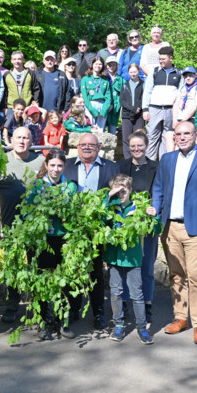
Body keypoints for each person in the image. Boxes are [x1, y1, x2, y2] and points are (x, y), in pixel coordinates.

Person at [146, 122, 197, 345]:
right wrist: (157, 214)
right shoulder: (168, 159)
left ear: (196, 135)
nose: (182, 137)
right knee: (176, 274)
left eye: (186, 133)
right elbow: (159, 189)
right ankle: (181, 318)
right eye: (178, 134)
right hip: (170, 227)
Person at [63, 132, 120, 330]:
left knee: (95, 272)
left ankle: (98, 313)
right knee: (72, 271)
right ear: (77, 147)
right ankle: (73, 310)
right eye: (83, 144)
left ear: (99, 147)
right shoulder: (67, 165)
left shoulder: (111, 167)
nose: (87, 147)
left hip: (97, 230)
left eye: (91, 144)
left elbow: (117, 197)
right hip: (72, 229)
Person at [0, 126, 45, 322]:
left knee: (37, 266)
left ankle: (38, 305)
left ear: (31, 141)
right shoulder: (1, 162)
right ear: (11, 140)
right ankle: (11, 306)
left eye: (26, 138)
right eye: (18, 137)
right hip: (10, 226)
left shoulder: (41, 161)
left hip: (34, 227)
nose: (22, 141)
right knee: (12, 268)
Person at [27, 149, 78, 338]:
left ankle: (62, 321)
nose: (56, 169)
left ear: (64, 167)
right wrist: (42, 212)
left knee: (64, 281)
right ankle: (44, 322)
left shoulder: (70, 187)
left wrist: (64, 214)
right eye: (52, 165)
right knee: (43, 280)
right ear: (46, 165)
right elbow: (27, 211)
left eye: (59, 166)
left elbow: (75, 214)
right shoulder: (38, 186)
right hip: (44, 239)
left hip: (64, 239)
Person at [103, 174, 153, 344]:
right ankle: (118, 325)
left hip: (132, 258)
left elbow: (156, 228)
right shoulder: (110, 207)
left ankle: (141, 327)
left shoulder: (138, 208)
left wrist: (153, 215)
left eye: (123, 191)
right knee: (116, 292)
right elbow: (100, 217)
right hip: (115, 257)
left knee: (136, 294)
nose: (120, 194)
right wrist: (109, 196)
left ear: (130, 190)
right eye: (117, 191)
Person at [119, 130, 160, 326]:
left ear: (146, 145)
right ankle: (126, 302)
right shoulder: (122, 166)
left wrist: (155, 210)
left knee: (147, 265)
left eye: (140, 145)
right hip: (127, 224)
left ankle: (147, 303)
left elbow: (160, 193)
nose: (136, 149)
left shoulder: (155, 167)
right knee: (127, 264)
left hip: (148, 224)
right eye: (133, 146)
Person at [142, 45, 181, 160]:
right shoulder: (154, 72)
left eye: (163, 59)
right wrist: (145, 109)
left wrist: (177, 113)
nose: (161, 61)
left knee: (167, 137)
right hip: (154, 109)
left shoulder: (179, 73)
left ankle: (164, 164)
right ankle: (149, 164)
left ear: (171, 58)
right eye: (159, 59)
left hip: (170, 109)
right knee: (152, 136)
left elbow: (180, 93)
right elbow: (147, 91)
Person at [119, 63, 146, 158]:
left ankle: (138, 158)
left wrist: (138, 109)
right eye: (131, 72)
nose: (133, 74)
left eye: (135, 71)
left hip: (139, 116)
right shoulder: (125, 85)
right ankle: (127, 159)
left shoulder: (143, 84)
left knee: (138, 138)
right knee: (126, 139)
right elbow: (122, 101)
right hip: (127, 115)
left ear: (138, 72)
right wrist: (133, 109)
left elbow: (144, 98)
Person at [35, 50, 73, 114]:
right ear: (43, 61)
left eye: (51, 59)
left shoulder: (61, 75)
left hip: (57, 113)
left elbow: (68, 93)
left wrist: (65, 110)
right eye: (47, 60)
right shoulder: (37, 74)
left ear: (55, 61)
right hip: (40, 112)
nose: (49, 62)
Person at [81, 56, 111, 131]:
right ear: (92, 65)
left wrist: (104, 110)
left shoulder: (105, 79)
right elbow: (85, 97)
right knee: (91, 129)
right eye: (96, 64)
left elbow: (108, 97)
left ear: (103, 66)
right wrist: (92, 110)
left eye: (100, 64)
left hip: (102, 106)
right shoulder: (85, 79)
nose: (98, 66)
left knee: (101, 131)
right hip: (90, 106)